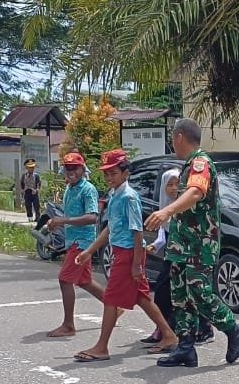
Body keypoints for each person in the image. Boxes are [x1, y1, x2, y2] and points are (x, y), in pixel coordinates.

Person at [144, 118, 239, 368]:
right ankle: (186, 348)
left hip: (199, 245)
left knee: (200, 293)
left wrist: (166, 212)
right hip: (182, 245)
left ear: (180, 137)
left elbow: (195, 193)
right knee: (180, 296)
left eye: (173, 138)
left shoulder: (200, 163)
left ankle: (234, 329)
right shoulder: (188, 165)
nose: (173, 143)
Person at [71, 149, 178, 361]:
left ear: (125, 173)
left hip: (129, 253)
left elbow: (137, 232)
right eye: (107, 174)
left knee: (111, 298)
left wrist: (137, 264)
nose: (109, 177)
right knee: (142, 297)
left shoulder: (129, 197)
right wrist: (90, 251)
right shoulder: (114, 195)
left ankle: (102, 347)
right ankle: (169, 335)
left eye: (114, 173)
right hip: (121, 252)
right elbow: (110, 228)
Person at [143, 168, 214, 348]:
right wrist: (156, 244)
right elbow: (163, 231)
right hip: (171, 251)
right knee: (166, 290)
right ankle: (166, 329)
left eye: (177, 184)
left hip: (187, 252)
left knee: (191, 291)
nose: (174, 189)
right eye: (170, 185)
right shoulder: (165, 207)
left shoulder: (184, 205)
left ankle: (202, 329)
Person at [46, 151, 108, 337]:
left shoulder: (87, 189)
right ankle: (114, 307)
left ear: (83, 169)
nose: (71, 171)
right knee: (84, 281)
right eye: (68, 168)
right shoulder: (70, 188)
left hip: (83, 242)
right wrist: (56, 223)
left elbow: (92, 217)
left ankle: (68, 325)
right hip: (73, 240)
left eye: (75, 168)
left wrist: (64, 221)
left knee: (65, 279)